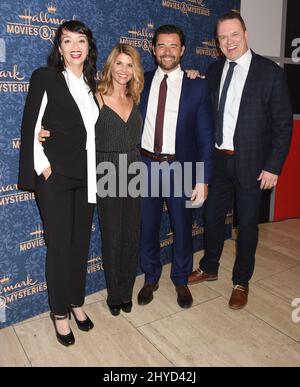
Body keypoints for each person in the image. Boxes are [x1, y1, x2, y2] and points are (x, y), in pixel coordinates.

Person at [188, 12, 293, 309]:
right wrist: (195, 78)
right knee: (210, 219)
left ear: (246, 34)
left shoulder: (269, 72)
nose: (228, 41)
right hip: (218, 163)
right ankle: (209, 267)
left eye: (234, 34)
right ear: (217, 42)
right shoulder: (214, 69)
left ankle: (241, 282)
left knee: (246, 226)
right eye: (222, 37)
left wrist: (274, 166)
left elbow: (283, 124)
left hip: (253, 165)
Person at [18, 20, 99, 346]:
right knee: (60, 248)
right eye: (68, 41)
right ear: (59, 48)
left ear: (88, 47)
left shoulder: (93, 85)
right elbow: (31, 127)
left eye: (81, 40)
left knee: (80, 246)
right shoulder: (46, 78)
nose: (75, 46)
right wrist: (44, 168)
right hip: (56, 179)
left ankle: (76, 302)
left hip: (88, 178)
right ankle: (59, 313)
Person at [137, 25, 215, 309]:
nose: (167, 51)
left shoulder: (197, 84)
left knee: (182, 227)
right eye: (161, 46)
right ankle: (150, 276)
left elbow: (206, 136)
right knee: (148, 226)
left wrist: (203, 178)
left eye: (173, 46)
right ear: (153, 49)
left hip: (179, 168)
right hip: (145, 164)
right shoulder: (140, 81)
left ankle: (181, 279)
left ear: (182, 50)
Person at [95, 44, 144, 316]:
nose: (124, 70)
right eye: (119, 63)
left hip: (134, 168)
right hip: (107, 169)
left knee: (131, 235)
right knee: (112, 235)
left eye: (129, 65)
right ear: (110, 66)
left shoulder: (136, 98)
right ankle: (115, 294)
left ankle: (126, 291)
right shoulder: (96, 97)